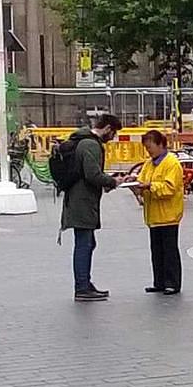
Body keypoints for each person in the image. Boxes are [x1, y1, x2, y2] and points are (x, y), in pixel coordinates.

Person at [60, 113, 126, 302]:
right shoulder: (90, 144)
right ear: (107, 129)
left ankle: (85, 283)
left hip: (79, 200)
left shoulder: (83, 140)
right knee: (84, 244)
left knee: (87, 243)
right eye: (112, 134)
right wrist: (112, 181)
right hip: (83, 202)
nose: (112, 139)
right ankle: (82, 287)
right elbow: (92, 174)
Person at [132, 130, 185, 295]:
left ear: (161, 144)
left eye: (150, 147)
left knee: (169, 250)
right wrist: (134, 183)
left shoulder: (172, 163)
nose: (149, 151)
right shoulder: (149, 163)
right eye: (147, 148)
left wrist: (149, 186)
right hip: (153, 214)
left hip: (169, 215)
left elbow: (169, 188)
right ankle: (159, 281)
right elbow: (142, 180)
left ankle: (172, 283)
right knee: (157, 250)